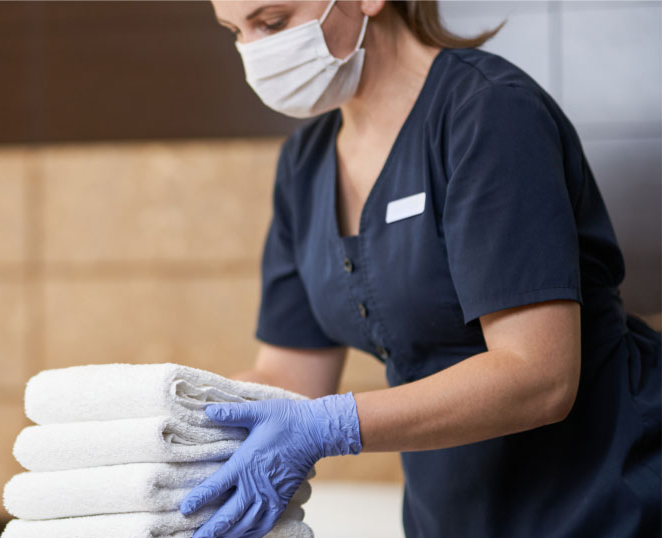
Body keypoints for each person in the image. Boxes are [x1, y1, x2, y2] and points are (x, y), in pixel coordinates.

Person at [177, 1, 662, 537]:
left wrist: (333, 426)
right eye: (234, 32)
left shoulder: (489, 113)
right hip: (450, 514)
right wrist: (180, 425)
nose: (254, 52)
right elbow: (290, 379)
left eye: (272, 23)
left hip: (603, 500)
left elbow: (539, 375)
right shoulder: (305, 164)